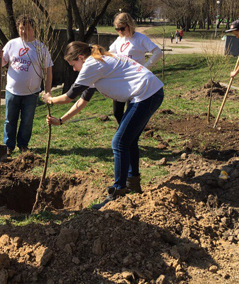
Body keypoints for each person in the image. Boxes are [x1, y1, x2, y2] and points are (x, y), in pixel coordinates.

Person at [42, 42, 164, 210]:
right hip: (148, 93)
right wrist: (62, 120)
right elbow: (81, 102)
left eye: (73, 65)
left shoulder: (92, 64)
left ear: (80, 58)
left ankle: (118, 191)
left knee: (119, 142)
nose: (74, 70)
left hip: (146, 94)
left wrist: (50, 100)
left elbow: (70, 96)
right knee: (128, 141)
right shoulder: (97, 63)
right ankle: (132, 184)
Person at [0, 15, 53, 155]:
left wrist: (48, 91)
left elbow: (48, 71)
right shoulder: (12, 44)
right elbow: (1, 64)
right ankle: (8, 146)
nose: (24, 32)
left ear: (33, 29)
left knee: (27, 121)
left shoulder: (40, 48)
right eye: (21, 28)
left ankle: (23, 145)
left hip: (31, 93)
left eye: (27, 29)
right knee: (10, 120)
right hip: (12, 91)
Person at [109, 12, 161, 124]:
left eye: (122, 28)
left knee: (130, 112)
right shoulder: (119, 40)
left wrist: (145, 68)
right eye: (117, 29)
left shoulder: (140, 38)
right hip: (120, 81)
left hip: (135, 81)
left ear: (129, 25)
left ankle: (128, 136)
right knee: (117, 112)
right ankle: (123, 134)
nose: (120, 32)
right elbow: (109, 54)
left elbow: (157, 52)